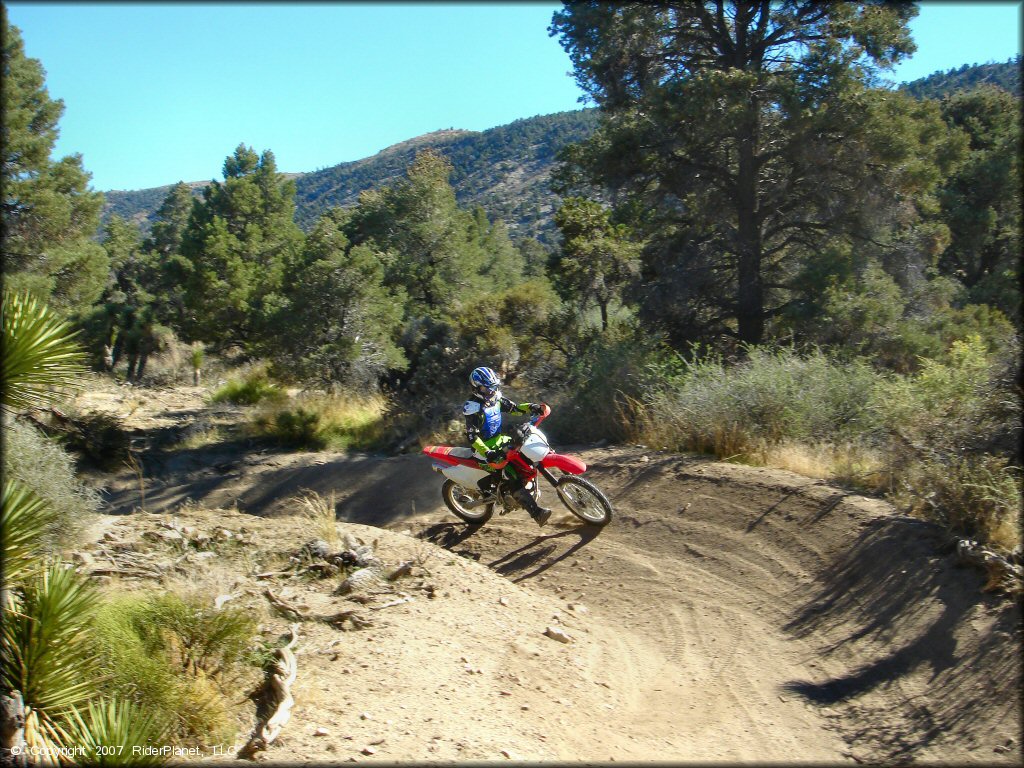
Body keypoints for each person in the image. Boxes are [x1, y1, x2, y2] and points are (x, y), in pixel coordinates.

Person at [463, 366, 552, 526]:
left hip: (499, 440)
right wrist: (488, 452)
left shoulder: (495, 398)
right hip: (483, 449)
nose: (490, 391)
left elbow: (515, 409)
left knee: (525, 457)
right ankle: (537, 513)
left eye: (492, 387)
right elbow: (472, 436)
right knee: (511, 475)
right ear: (476, 388)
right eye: (486, 388)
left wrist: (532, 407)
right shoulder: (473, 408)